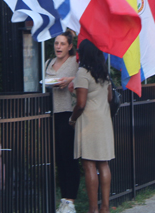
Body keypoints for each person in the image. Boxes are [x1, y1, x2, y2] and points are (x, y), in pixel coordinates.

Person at [69, 39, 114, 213]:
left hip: (89, 121)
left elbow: (81, 103)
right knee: (103, 164)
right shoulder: (104, 72)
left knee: (89, 165)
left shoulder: (83, 73)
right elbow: (110, 97)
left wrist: (72, 120)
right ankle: (105, 208)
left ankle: (93, 209)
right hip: (104, 120)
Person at [45, 31, 80, 213]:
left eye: (62, 43)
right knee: (58, 157)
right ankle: (63, 198)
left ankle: (71, 199)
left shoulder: (75, 62)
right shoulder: (49, 63)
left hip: (69, 111)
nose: (58, 46)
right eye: (56, 43)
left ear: (69, 46)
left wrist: (69, 80)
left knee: (69, 157)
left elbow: (85, 79)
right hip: (52, 112)